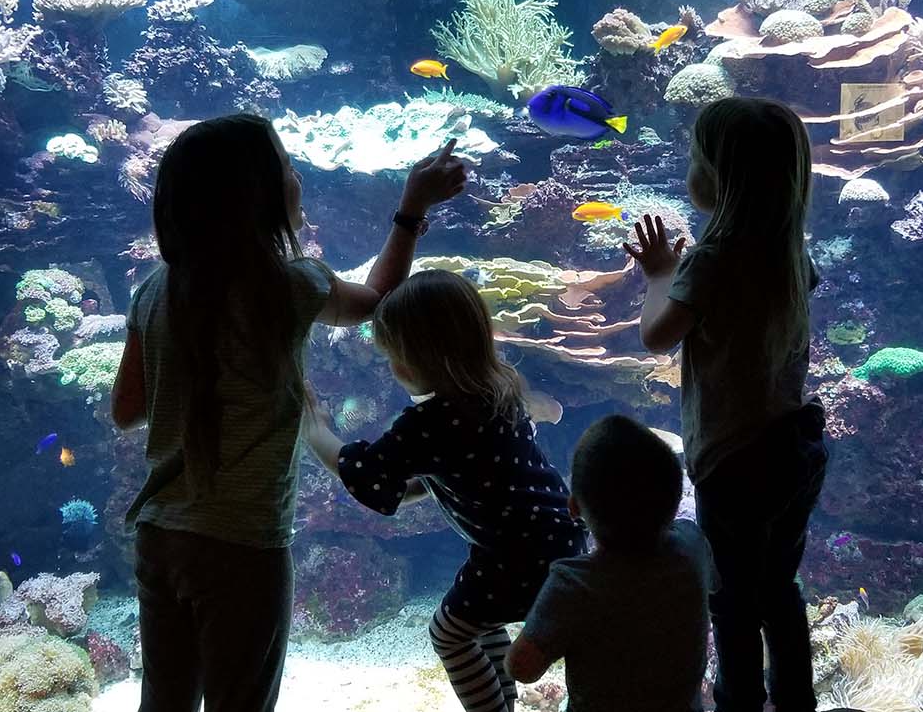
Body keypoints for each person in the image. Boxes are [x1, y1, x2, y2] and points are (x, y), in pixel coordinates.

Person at [110, 113, 466, 712]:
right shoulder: (289, 283)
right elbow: (375, 302)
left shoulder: (154, 288)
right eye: (287, 168)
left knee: (162, 702)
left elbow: (125, 413)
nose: (297, 178)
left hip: (161, 536)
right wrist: (409, 210)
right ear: (259, 198)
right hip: (242, 546)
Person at [623, 97, 829, 712]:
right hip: (796, 445)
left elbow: (657, 335)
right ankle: (795, 700)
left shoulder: (709, 260)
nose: (689, 167)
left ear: (720, 176)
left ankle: (739, 702)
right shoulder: (788, 248)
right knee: (778, 589)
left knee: (732, 599)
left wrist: (659, 272)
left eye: (694, 156)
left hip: (736, 460)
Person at [303, 269, 586, 712]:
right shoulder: (499, 390)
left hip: (514, 553)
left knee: (448, 634)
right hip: (560, 539)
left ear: (408, 363)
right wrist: (412, 488)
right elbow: (451, 476)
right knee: (478, 625)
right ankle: (501, 704)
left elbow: (362, 473)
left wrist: (314, 428)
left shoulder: (430, 423)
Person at [506, 414, 716, 711]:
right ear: (675, 496)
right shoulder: (693, 545)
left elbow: (522, 668)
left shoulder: (573, 583)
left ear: (573, 506)